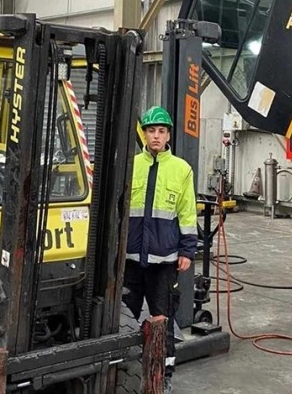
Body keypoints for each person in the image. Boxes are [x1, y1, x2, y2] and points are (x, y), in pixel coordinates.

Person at [123, 106, 197, 394]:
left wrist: (187, 251)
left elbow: (187, 214)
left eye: (161, 131)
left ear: (168, 135)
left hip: (164, 261)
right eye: (151, 130)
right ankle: (126, 369)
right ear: (143, 134)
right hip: (129, 259)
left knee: (162, 322)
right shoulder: (131, 165)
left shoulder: (181, 169)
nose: (156, 136)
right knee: (125, 320)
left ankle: (164, 375)